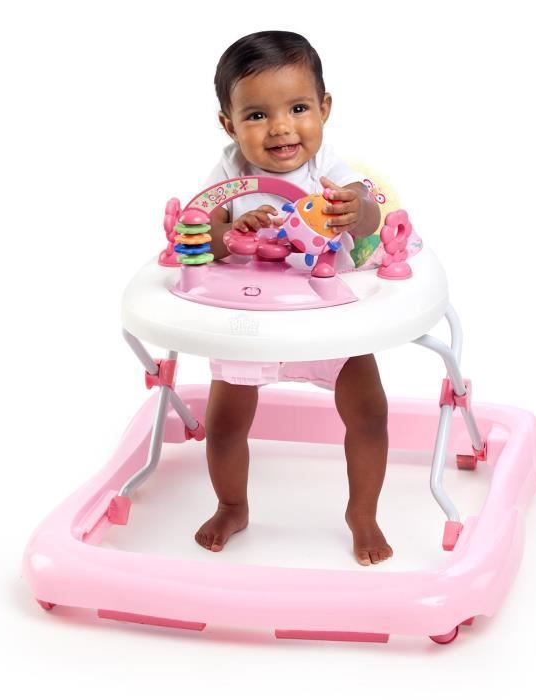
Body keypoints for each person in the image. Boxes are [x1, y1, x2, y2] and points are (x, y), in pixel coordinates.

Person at [194, 31, 393, 566]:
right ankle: (232, 505)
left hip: (328, 316)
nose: (281, 127)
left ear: (324, 108)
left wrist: (355, 210)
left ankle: (363, 514)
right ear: (229, 124)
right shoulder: (230, 173)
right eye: (257, 115)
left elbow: (370, 213)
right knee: (225, 423)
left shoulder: (327, 168)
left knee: (369, 415)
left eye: (298, 108)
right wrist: (232, 230)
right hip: (249, 321)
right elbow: (199, 232)